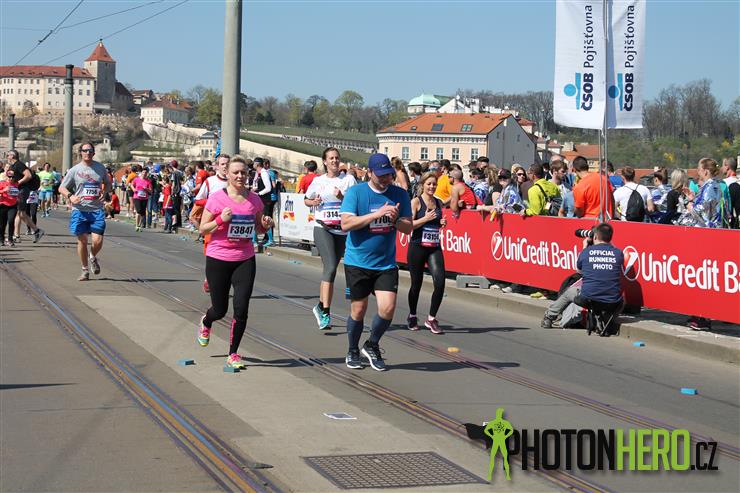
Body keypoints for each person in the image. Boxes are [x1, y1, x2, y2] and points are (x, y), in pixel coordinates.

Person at [197, 155, 274, 369]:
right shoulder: (216, 198)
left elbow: (258, 227)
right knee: (220, 310)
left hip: (244, 259)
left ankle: (233, 353)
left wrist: (266, 224)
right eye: (236, 172)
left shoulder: (254, 199)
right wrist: (221, 219)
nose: (240, 176)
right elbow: (203, 228)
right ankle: (206, 321)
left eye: (243, 172)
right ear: (228, 174)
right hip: (218, 258)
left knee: (241, 308)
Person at [340, 153, 412, 371]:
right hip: (358, 261)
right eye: (380, 175)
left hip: (385, 263)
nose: (385, 179)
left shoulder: (400, 194)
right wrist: (376, 215)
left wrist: (395, 220)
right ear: (369, 173)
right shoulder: (356, 193)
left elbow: (408, 228)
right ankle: (353, 349)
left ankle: (372, 344)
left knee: (388, 308)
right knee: (358, 309)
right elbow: (346, 224)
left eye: (388, 175)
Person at [304, 147, 357, 330]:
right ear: (325, 162)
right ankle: (326, 311)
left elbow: (356, 202)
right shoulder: (318, 181)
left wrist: (342, 197)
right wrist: (313, 202)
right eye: (331, 158)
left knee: (333, 268)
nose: (334, 161)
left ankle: (320, 306)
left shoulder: (348, 180)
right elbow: (306, 199)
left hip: (342, 230)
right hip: (323, 228)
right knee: (331, 267)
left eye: (337, 158)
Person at [542, 223, 624, 328]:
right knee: (622, 298)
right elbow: (612, 250)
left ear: (595, 237)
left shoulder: (586, 252)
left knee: (570, 291)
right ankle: (607, 319)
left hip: (588, 299)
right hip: (613, 302)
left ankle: (549, 317)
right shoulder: (618, 253)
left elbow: (579, 271)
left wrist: (585, 246)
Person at [59, 143, 112, 281]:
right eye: (85, 150)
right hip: (80, 210)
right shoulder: (74, 170)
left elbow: (108, 182)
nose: (88, 153)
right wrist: (70, 196)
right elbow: (62, 188)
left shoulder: (100, 168)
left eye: (90, 150)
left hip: (96, 210)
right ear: (81, 153)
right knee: (82, 240)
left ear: (93, 153)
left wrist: (105, 192)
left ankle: (92, 256)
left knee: (98, 240)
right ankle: (85, 270)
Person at [406, 172, 446, 334]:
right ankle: (412, 315)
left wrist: (441, 222)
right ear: (423, 185)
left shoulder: (438, 202)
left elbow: (437, 222)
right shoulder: (416, 202)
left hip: (434, 247)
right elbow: (409, 225)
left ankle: (431, 318)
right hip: (417, 246)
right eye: (429, 184)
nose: (432, 187)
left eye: (434, 184)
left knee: (440, 282)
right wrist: (425, 219)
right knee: (416, 284)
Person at [194, 154, 230, 293]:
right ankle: (209, 279)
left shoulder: (234, 182)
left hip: (229, 225)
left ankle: (222, 282)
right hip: (213, 224)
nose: (225, 166)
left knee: (228, 255)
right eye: (222, 164)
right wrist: (213, 202)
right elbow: (198, 200)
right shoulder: (210, 181)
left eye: (227, 164)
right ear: (217, 166)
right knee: (212, 254)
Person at [678, 158, 728, 229]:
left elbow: (701, 211)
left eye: (699, 169)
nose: (698, 172)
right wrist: (693, 199)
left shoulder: (710, 187)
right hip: (713, 228)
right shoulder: (714, 184)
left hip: (709, 229)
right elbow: (707, 206)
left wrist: (688, 204)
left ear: (705, 172)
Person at [6, 150, 43, 243]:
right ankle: (17, 236)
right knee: (19, 213)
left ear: (12, 156)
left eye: (7, 155)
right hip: (18, 191)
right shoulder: (13, 166)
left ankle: (36, 231)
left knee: (21, 213)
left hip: (22, 191)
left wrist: (18, 183)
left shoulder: (19, 164)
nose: (7, 157)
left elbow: (28, 175)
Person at [252, 158, 275, 246]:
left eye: (254, 163)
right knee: (256, 218)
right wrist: (253, 189)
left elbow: (268, 188)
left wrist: (259, 193)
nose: (253, 165)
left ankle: (271, 240)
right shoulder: (258, 173)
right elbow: (258, 185)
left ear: (257, 164)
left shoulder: (264, 173)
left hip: (264, 200)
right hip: (259, 199)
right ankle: (254, 240)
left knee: (265, 219)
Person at [0, 167, 19, 246]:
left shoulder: (17, 184)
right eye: (9, 177)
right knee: (2, 223)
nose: (11, 178)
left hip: (13, 206)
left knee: (11, 221)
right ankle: (1, 239)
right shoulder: (2, 183)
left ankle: (10, 239)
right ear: (7, 176)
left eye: (13, 177)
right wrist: (3, 190)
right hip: (3, 205)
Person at [131, 167, 152, 231]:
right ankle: (136, 225)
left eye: (145, 172)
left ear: (147, 173)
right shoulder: (136, 179)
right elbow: (131, 185)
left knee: (142, 212)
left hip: (144, 198)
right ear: (141, 172)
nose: (144, 173)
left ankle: (139, 225)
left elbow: (151, 191)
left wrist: (146, 189)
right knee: (138, 211)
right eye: (143, 172)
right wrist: (134, 189)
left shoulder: (148, 181)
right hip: (137, 197)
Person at [722, 157, 739, 228]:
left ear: (727, 167)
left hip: (729, 223)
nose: (721, 168)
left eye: (723, 165)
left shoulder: (724, 184)